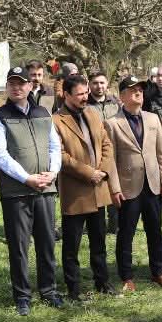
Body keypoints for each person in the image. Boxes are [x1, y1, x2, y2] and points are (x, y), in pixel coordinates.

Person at [0, 65, 63, 314]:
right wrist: (27, 178)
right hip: (16, 192)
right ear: (7, 87)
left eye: (21, 83)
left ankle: (49, 290)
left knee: (47, 243)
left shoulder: (43, 113)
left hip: (46, 189)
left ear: (30, 86)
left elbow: (55, 146)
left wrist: (53, 172)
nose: (16, 88)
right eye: (12, 83)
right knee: (19, 247)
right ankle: (22, 296)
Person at [52, 73, 117, 303]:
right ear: (66, 95)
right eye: (79, 94)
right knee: (72, 245)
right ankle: (74, 289)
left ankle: (103, 282)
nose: (84, 97)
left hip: (98, 189)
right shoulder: (56, 121)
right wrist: (89, 173)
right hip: (75, 193)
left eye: (86, 92)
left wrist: (103, 170)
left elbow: (106, 143)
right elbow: (61, 156)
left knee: (99, 241)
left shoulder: (92, 113)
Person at [107, 75, 162, 292]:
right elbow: (110, 160)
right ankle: (126, 276)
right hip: (128, 186)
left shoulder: (153, 119)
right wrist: (114, 188)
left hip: (152, 184)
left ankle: (158, 271)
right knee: (126, 233)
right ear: (122, 96)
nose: (138, 93)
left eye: (141, 90)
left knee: (155, 230)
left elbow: (161, 152)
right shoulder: (112, 124)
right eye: (133, 90)